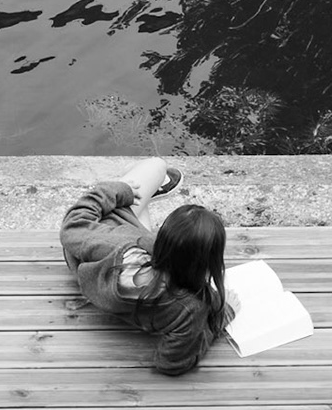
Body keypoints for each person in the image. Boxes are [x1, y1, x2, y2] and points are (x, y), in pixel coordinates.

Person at [58, 156, 230, 375]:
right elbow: (171, 363)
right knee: (148, 187)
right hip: (122, 234)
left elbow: (71, 227)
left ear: (163, 239)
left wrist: (118, 189)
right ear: (210, 263)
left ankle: (145, 191)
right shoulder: (190, 307)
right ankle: (147, 196)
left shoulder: (128, 245)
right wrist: (222, 319)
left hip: (91, 250)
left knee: (156, 165)